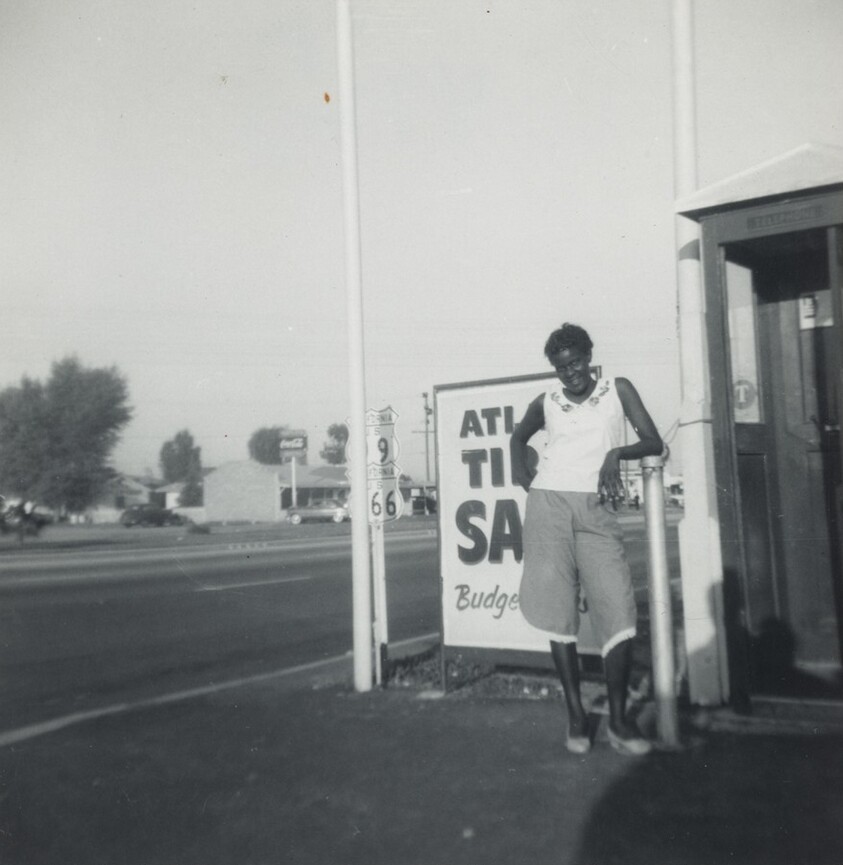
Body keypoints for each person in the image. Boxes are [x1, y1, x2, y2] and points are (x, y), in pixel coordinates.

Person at [510, 322, 663, 756]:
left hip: (597, 510)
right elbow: (519, 436)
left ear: (589, 357)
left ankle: (618, 721)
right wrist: (520, 469)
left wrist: (616, 454)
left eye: (576, 363)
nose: (570, 373)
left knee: (619, 611)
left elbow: (653, 441)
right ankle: (576, 715)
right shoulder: (547, 401)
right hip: (548, 507)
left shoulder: (618, 389)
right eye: (561, 367)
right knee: (559, 613)